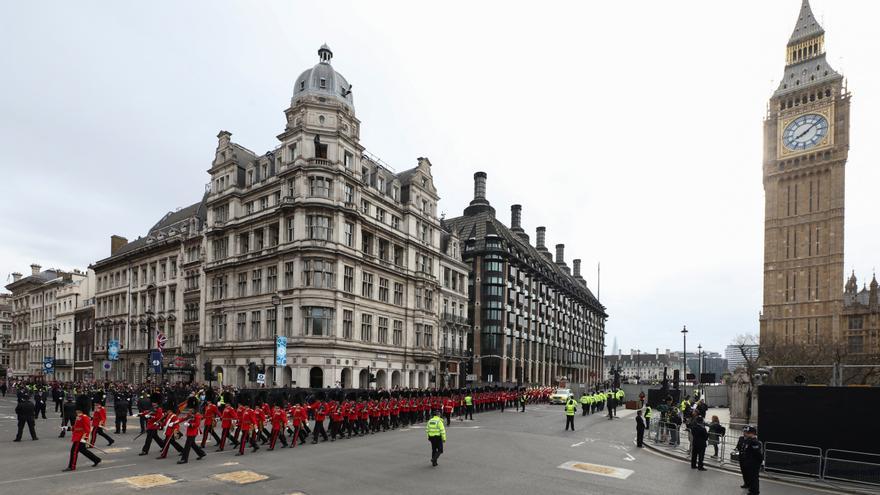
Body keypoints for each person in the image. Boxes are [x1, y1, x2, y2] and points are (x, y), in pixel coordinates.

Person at [63, 407, 101, 471]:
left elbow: (87, 429)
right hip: (77, 436)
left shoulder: (85, 417)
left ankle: (72, 466)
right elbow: (76, 427)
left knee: (74, 452)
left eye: (77, 410)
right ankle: (96, 459)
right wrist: (67, 428)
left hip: (80, 438)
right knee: (83, 450)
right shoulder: (79, 417)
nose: (76, 411)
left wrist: (84, 438)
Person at [738, 426, 763, 495]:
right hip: (749, 463)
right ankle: (751, 490)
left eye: (748, 433)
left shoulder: (754, 442)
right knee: (750, 477)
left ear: (752, 433)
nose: (746, 434)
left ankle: (755, 492)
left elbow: (757, 454)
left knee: (754, 478)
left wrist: (760, 462)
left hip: (753, 464)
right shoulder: (749, 440)